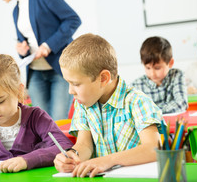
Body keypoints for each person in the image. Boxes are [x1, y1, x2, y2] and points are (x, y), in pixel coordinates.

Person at [53, 33, 162, 178]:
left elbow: (154, 148)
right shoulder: (83, 105)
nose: (70, 91)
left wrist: (107, 161)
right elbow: (84, 145)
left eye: (76, 84)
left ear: (103, 78)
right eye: (68, 82)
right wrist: (72, 155)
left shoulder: (137, 101)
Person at [0, 0, 81, 120]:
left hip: (59, 70)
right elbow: (26, 41)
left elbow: (72, 20)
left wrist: (48, 45)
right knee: (41, 124)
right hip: (36, 73)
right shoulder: (16, 11)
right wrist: (21, 50)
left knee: (57, 121)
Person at [0, 54, 73, 172]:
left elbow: (63, 146)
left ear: (18, 91)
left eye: (0, 101)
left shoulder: (36, 117)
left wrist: (26, 160)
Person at [131, 36, 188, 114]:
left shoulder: (177, 75)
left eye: (157, 68)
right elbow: (134, 111)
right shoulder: (136, 86)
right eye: (148, 68)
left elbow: (182, 103)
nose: (152, 73)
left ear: (170, 63)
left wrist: (150, 110)